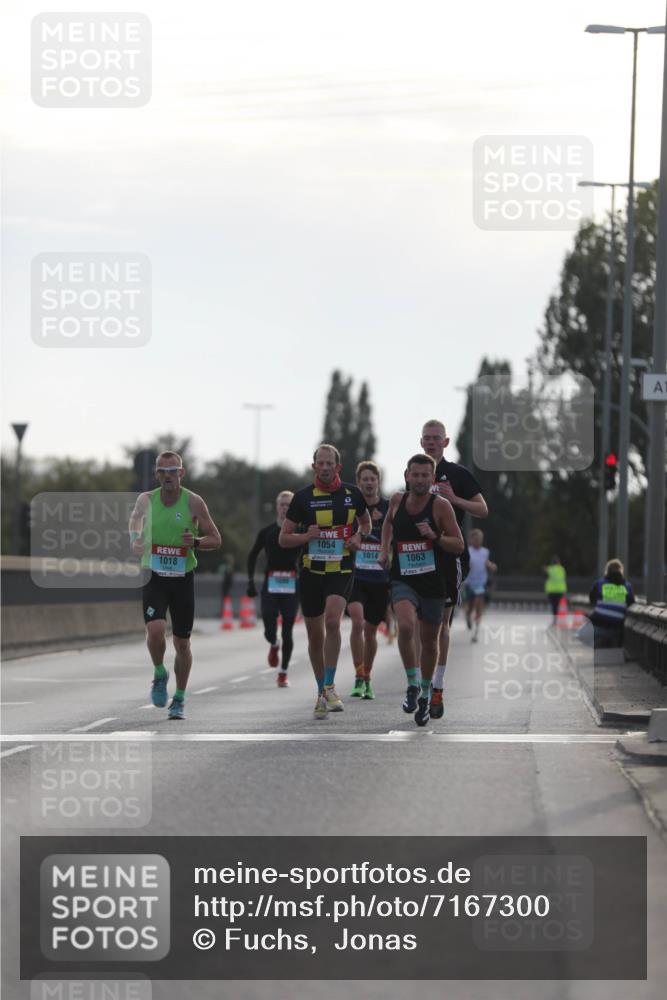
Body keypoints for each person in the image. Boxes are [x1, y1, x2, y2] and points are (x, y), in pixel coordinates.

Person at [279, 444, 372, 719]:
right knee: (315, 635)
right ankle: (321, 691)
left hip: (341, 568)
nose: (325, 467)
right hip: (311, 571)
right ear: (314, 467)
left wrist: (358, 537)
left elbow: (366, 524)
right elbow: (284, 538)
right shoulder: (302, 498)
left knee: (333, 621)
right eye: (320, 463)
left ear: (338, 467)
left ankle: (330, 685)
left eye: (329, 463)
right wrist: (306, 537)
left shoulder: (353, 495)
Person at [129, 451, 221, 719]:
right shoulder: (146, 500)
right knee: (155, 630)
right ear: (156, 474)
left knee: (182, 643)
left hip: (182, 578)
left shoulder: (194, 502)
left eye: (172, 471)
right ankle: (160, 673)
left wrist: (195, 542)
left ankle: (179, 698)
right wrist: (135, 539)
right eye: (162, 471)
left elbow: (216, 539)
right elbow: (135, 519)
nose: (167, 476)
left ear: (181, 473)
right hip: (154, 575)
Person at [380, 454, 464, 726]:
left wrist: (435, 537)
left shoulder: (441, 506)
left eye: (424, 475)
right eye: (415, 475)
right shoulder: (397, 500)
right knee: (405, 626)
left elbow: (459, 545)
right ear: (407, 476)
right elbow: (388, 523)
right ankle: (412, 683)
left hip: (432, 583)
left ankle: (426, 694)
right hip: (403, 578)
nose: (419, 480)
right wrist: (383, 550)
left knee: (429, 642)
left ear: (432, 477)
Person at [420, 419, 487, 719]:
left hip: (449, 555)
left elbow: (483, 509)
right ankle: (420, 683)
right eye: (427, 438)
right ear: (421, 442)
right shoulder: (415, 472)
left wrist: (454, 498)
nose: (432, 442)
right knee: (420, 627)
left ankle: (437, 685)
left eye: (437, 438)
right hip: (418, 556)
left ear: (445, 442)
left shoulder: (457, 474)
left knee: (440, 625)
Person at [247, 490, 300, 687]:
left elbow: (308, 555)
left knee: (288, 629)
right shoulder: (267, 532)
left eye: (289, 505)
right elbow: (253, 555)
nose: (285, 508)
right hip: (271, 582)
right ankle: (273, 643)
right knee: (269, 621)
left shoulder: (300, 531)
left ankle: (283, 673)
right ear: (277, 507)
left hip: (292, 584)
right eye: (282, 505)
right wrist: (251, 582)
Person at [347, 461, 390, 700]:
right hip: (355, 575)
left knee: (371, 631)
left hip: (379, 578)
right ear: (358, 482)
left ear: (378, 482)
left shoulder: (388, 507)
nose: (369, 483)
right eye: (364, 479)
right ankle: (357, 675)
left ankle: (367, 678)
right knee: (357, 621)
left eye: (372, 479)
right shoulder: (351, 506)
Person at [580, 558, 635, 649]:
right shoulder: (627, 586)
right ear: (621, 571)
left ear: (607, 570)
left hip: (599, 624)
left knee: (581, 634)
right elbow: (631, 603)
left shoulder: (599, 583)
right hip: (617, 629)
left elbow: (592, 600)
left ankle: (597, 647)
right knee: (613, 637)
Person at [463, 528, 497, 642]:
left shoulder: (485, 552)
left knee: (479, 606)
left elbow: (486, 562)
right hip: (469, 583)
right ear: (471, 540)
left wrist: (491, 566)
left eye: (479, 539)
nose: (477, 541)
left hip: (481, 583)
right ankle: (468, 615)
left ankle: (476, 633)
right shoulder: (467, 551)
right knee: (470, 606)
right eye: (475, 539)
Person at [543, 555, 567, 624]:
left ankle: (555, 620)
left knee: (554, 606)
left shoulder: (549, 569)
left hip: (552, 591)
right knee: (559, 606)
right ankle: (560, 620)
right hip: (560, 591)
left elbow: (545, 577)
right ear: (559, 562)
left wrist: (545, 569)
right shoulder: (562, 569)